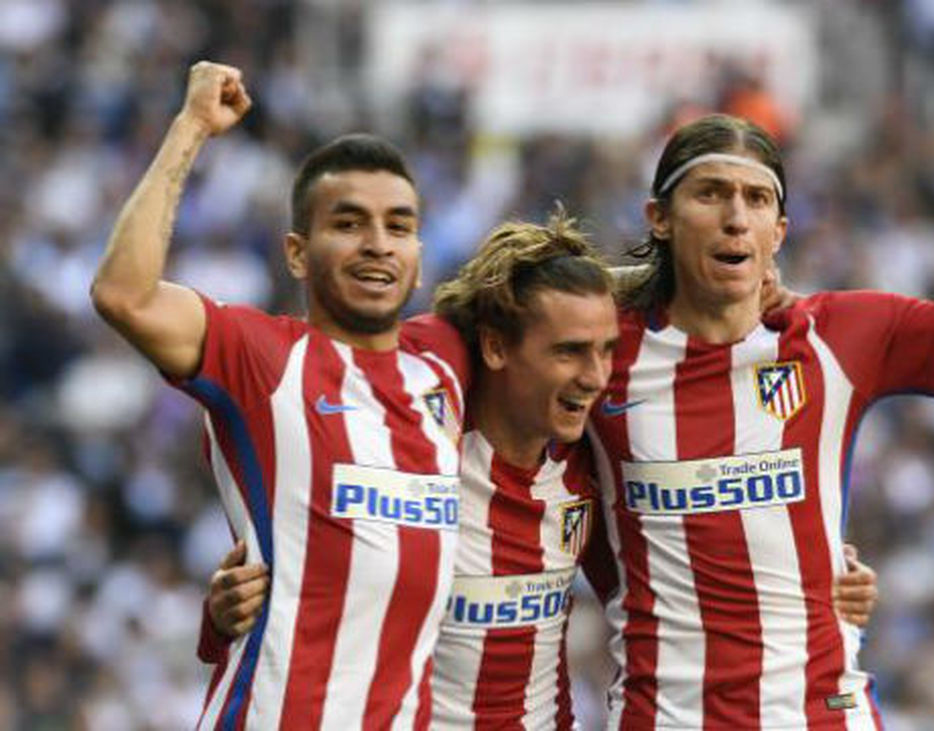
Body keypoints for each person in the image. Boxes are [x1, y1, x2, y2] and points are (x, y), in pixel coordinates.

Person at [586, 111, 934, 728]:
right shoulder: (593, 346)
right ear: (660, 218)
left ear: (777, 232)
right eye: (710, 194)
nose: (735, 217)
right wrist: (618, 283)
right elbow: (496, 303)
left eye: (755, 199)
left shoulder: (841, 334)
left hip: (824, 714)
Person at [203, 215, 881, 729]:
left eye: (605, 352)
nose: (595, 375)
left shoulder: (589, 468)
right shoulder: (420, 454)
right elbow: (329, 588)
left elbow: (669, 579)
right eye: (569, 352)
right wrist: (223, 613)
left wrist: (821, 579)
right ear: (497, 347)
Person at [91, 61, 472, 728]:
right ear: (297, 253)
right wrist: (192, 128)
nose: (378, 244)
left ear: (418, 254)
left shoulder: (447, 363)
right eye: (349, 223)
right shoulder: (261, 355)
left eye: (399, 225)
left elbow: (573, 309)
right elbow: (125, 295)